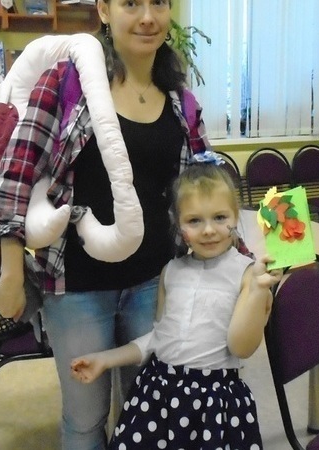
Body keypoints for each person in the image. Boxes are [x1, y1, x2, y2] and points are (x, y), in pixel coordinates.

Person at [0, 0, 216, 448]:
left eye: (158, 3)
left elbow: (204, 189)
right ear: (104, 10)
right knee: (85, 418)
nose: (147, 17)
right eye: (131, 3)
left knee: (147, 411)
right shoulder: (67, 82)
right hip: (77, 288)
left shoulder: (181, 101)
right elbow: (15, 174)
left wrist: (235, 257)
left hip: (156, 282)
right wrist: (11, 272)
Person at [70, 163, 281, 449]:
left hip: (213, 404)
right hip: (157, 396)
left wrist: (257, 290)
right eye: (194, 221)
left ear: (236, 216)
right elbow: (158, 339)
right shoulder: (171, 271)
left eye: (220, 217)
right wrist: (105, 360)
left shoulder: (248, 274)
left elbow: (241, 347)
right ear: (179, 225)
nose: (209, 230)